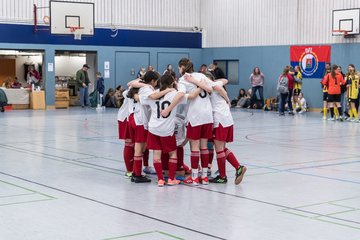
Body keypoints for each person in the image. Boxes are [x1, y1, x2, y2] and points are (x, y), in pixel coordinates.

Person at [161, 58, 215, 185]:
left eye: (179, 67)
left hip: (195, 115)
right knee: (204, 147)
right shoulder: (201, 75)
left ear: (183, 67)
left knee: (194, 147)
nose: (179, 70)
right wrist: (198, 84)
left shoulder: (183, 79)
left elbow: (181, 95)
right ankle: (205, 177)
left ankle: (195, 177)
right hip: (207, 115)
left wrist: (169, 107)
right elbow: (211, 89)